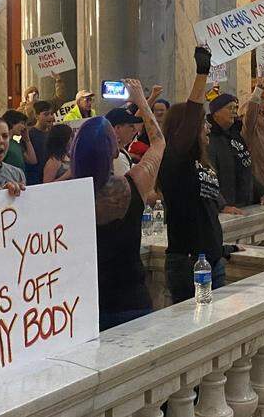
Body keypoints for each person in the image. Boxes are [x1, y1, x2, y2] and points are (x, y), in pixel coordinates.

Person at [71, 78, 164, 330]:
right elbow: (158, 142)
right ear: (114, 152)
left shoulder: (66, 195)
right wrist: (142, 101)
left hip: (84, 304)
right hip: (131, 298)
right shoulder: (132, 184)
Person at [159, 47, 246, 304]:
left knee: (211, 327)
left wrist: (221, 249)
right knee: (193, 329)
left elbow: (205, 213)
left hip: (210, 259)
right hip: (188, 264)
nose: (206, 127)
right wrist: (202, 74)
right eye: (201, 125)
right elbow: (193, 113)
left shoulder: (201, 163)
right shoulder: (175, 160)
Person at [207, 92, 259, 208]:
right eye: (230, 108)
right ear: (216, 113)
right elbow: (208, 177)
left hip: (244, 203)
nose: (234, 112)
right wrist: (222, 205)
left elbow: (245, 166)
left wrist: (261, 193)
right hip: (225, 206)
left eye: (235, 108)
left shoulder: (236, 135)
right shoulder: (209, 140)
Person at [23, 100, 56, 185]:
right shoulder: (30, 134)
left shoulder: (52, 133)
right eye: (46, 114)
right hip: (34, 179)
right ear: (37, 116)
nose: (50, 117)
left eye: (51, 114)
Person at [105, 104, 143, 176]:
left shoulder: (115, 150)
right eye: (131, 126)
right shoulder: (118, 157)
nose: (134, 130)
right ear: (117, 128)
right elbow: (128, 185)